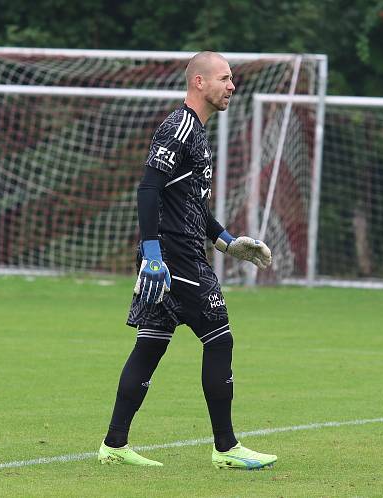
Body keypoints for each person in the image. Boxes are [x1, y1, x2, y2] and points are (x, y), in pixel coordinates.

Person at [98, 51, 277, 470]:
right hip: (175, 258)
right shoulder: (179, 127)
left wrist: (227, 242)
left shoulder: (196, 131)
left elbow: (188, 203)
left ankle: (114, 445)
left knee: (149, 347)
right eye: (225, 78)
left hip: (176, 254)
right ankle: (226, 448)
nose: (232, 86)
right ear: (199, 82)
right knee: (220, 338)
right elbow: (148, 190)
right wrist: (155, 254)